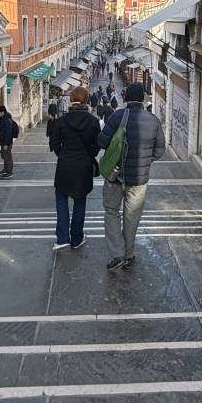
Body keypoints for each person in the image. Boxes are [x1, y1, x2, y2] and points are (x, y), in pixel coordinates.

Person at [98, 81, 165, 271]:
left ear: (125, 98)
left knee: (111, 211)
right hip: (139, 180)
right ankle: (128, 255)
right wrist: (146, 160)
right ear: (143, 99)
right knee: (131, 217)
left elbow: (101, 142)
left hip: (114, 176)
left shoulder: (117, 116)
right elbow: (160, 149)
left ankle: (117, 253)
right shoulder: (153, 121)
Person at [49, 86, 100, 251]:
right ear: (86, 101)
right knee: (80, 200)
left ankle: (63, 237)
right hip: (83, 167)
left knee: (61, 198)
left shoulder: (61, 121)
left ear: (71, 100)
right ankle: (77, 238)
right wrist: (88, 155)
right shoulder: (93, 122)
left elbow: (54, 144)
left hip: (65, 165)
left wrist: (64, 155)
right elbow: (97, 145)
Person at [0, 105, 15, 178]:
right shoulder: (2, 119)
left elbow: (8, 133)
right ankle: (5, 170)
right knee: (4, 157)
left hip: (6, 142)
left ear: (2, 112)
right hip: (3, 142)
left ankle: (9, 172)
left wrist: (6, 144)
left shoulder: (7, 121)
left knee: (8, 157)